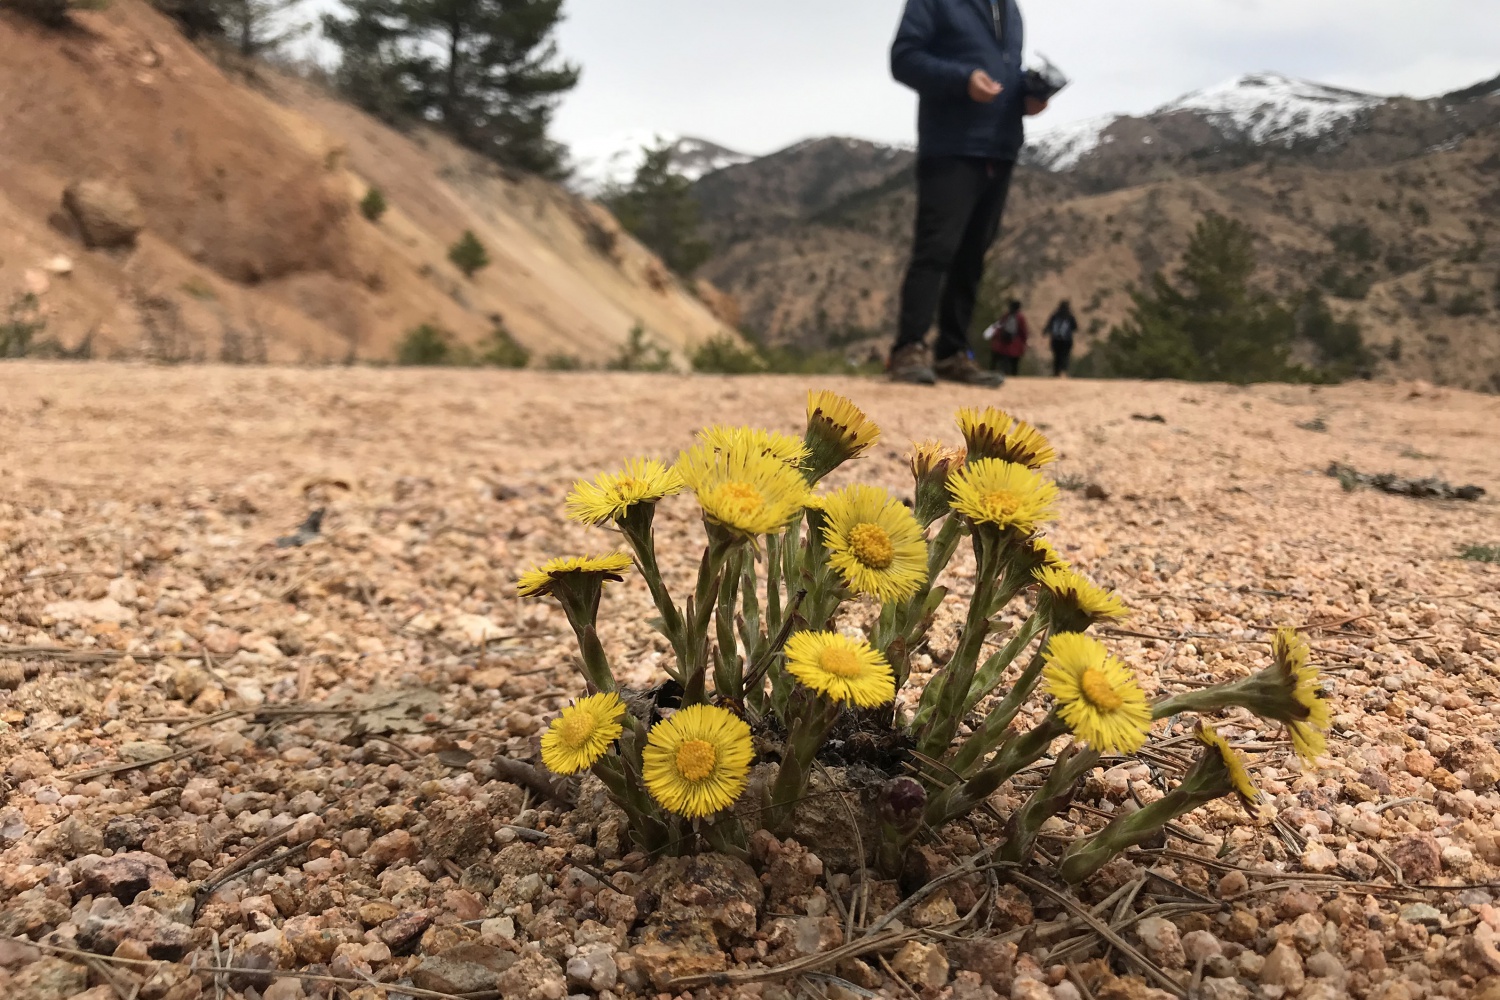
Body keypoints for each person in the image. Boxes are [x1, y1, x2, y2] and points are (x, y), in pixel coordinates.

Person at [886, 0, 1049, 386]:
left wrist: (1029, 95)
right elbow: (904, 58)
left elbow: (1005, 70)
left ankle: (952, 352)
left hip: (1001, 147)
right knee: (935, 249)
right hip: (951, 146)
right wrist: (963, 79)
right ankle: (908, 348)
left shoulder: (1010, 10)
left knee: (973, 254)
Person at [984, 299, 1029, 375]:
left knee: (996, 360)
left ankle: (993, 372)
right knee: (1014, 363)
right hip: (1014, 344)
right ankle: (1013, 376)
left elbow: (999, 326)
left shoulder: (1006, 315)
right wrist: (1024, 341)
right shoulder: (1020, 318)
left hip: (1002, 343)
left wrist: (995, 337)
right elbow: (1023, 331)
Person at [1044, 300, 1078, 377]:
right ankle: (1063, 371)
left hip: (1055, 340)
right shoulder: (1070, 316)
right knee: (1065, 356)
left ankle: (1056, 372)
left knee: (1057, 356)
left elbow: (1049, 326)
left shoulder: (1055, 316)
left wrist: (1045, 331)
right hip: (1067, 340)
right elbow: (1075, 327)